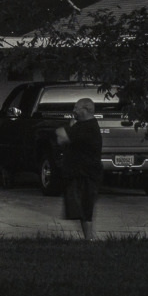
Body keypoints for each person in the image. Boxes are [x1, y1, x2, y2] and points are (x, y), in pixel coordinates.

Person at [56, 97, 102, 239]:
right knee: (80, 208)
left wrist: (64, 129)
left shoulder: (88, 127)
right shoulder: (81, 126)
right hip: (79, 173)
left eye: (76, 108)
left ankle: (89, 239)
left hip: (86, 174)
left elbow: (62, 137)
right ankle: (88, 238)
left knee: (86, 207)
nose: (74, 110)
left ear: (86, 110)